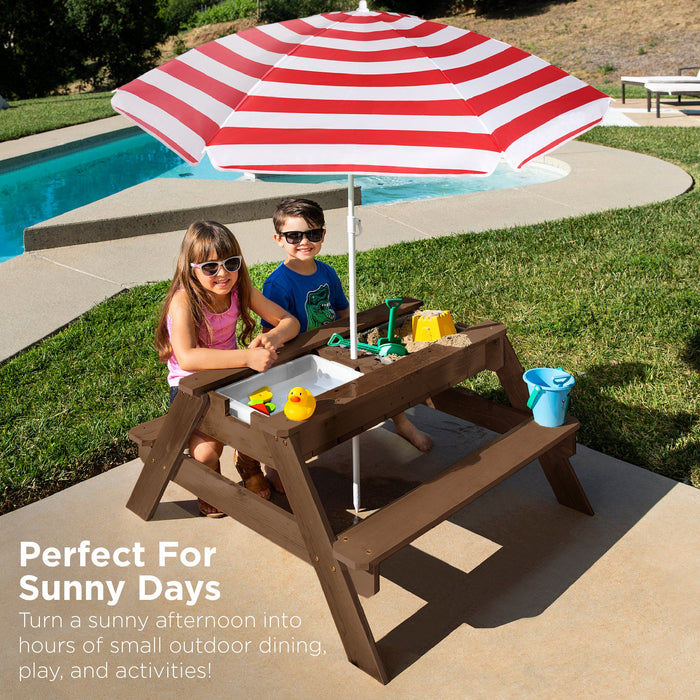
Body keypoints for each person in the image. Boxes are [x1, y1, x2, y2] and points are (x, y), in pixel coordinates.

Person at [262, 198, 433, 452]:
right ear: (279, 239)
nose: (305, 241)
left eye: (313, 233)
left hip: (336, 344)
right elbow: (270, 333)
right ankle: (280, 457)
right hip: (302, 355)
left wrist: (357, 337)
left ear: (323, 234)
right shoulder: (277, 285)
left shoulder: (327, 272)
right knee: (301, 408)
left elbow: (343, 312)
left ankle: (402, 422)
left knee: (382, 370)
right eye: (294, 236)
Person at [155, 221, 299, 516]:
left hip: (231, 379)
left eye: (231, 263)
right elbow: (188, 358)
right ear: (192, 267)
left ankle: (248, 462)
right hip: (191, 388)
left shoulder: (240, 289)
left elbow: (290, 321)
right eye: (210, 267)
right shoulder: (183, 301)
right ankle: (210, 478)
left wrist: (273, 335)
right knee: (208, 452)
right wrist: (246, 358)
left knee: (265, 419)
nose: (223, 274)